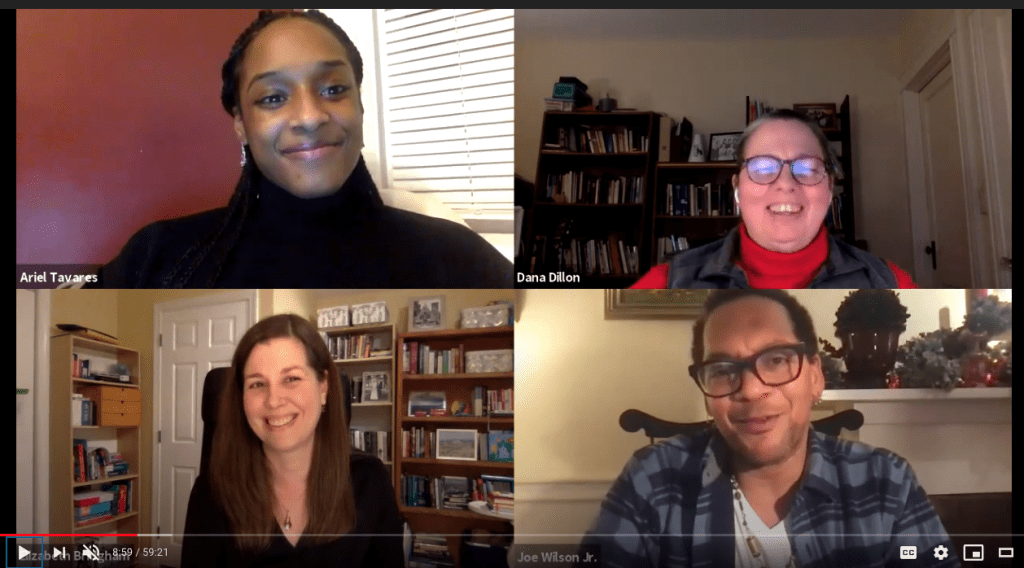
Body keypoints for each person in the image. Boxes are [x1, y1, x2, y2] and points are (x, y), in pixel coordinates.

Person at [91, 10, 512, 288]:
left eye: (333, 89)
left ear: (360, 104)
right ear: (241, 122)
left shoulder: (459, 258)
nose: (310, 116)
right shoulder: (156, 257)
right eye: (272, 98)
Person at [576, 290, 959, 568]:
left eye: (776, 359)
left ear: (815, 377)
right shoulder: (653, 479)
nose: (750, 389)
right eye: (724, 370)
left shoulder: (885, 481)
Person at [180, 314, 404, 567]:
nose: (273, 400)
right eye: (257, 384)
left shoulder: (370, 482)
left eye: (291, 379)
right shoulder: (211, 493)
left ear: (323, 387)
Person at [631, 110, 916, 289]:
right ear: (737, 191)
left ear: (829, 188)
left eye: (806, 168)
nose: (785, 184)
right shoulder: (666, 283)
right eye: (763, 168)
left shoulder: (890, 283)